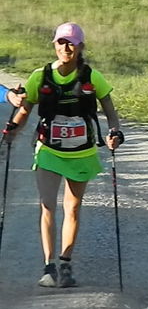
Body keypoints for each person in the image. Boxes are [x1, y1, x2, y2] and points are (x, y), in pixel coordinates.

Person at [5, 22, 124, 288]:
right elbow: (25, 109)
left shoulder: (93, 77)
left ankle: (66, 262)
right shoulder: (41, 76)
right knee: (47, 205)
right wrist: (12, 129)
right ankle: (49, 268)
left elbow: (110, 110)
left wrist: (115, 132)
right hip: (48, 150)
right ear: (55, 45)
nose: (66, 47)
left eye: (71, 43)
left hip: (81, 152)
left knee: (73, 207)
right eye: (61, 42)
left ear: (81, 46)